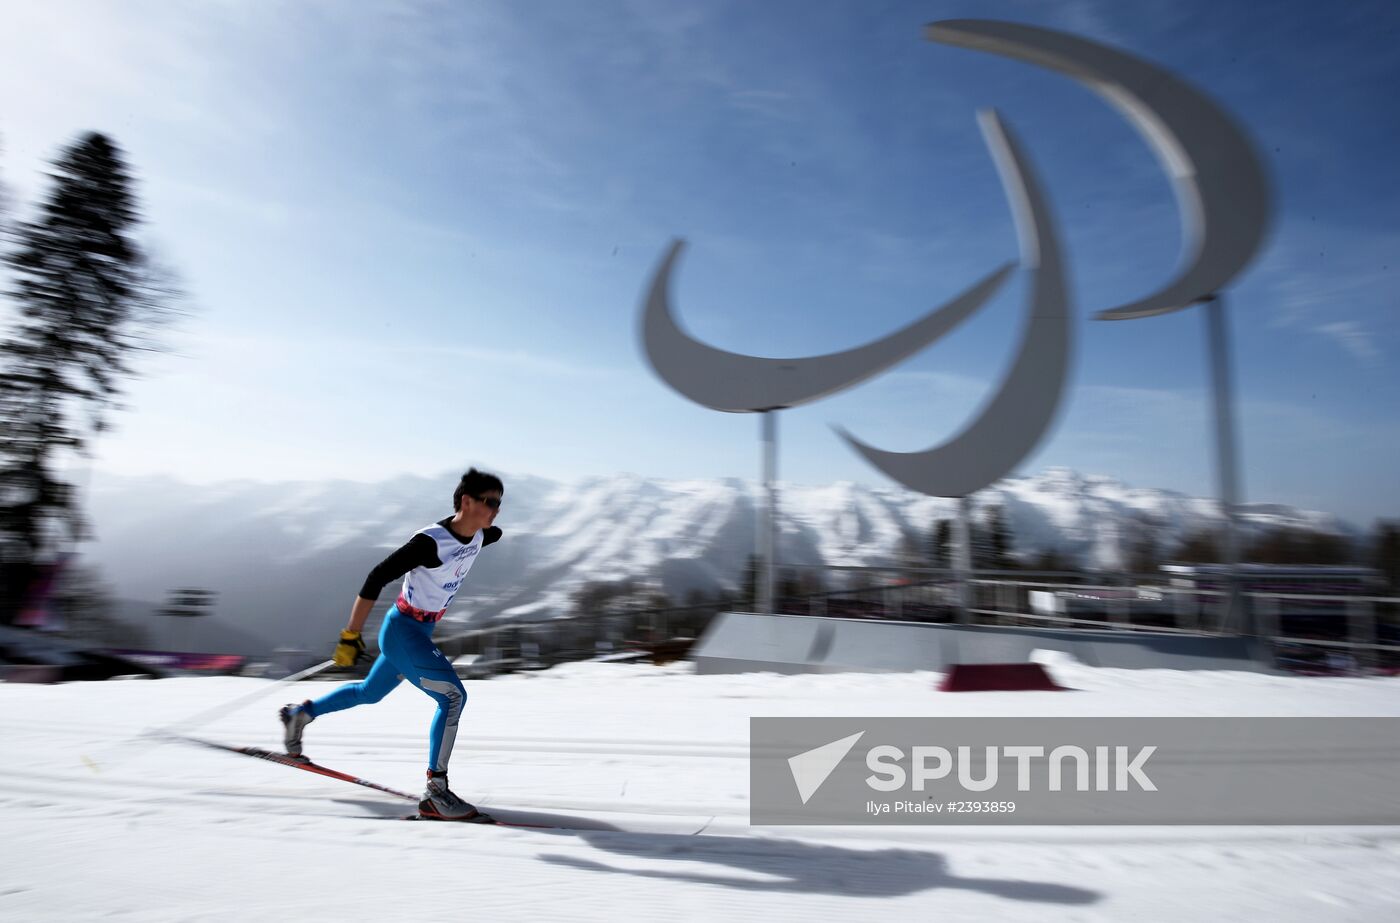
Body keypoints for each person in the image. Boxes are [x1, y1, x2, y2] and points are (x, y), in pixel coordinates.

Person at [279, 468, 504, 820]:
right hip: (403, 631)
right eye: (490, 502)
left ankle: (300, 715)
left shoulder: (482, 534)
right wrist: (350, 636)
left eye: (499, 503)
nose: (496, 510)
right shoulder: (429, 543)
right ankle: (436, 792)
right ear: (466, 501)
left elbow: (493, 533)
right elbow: (376, 577)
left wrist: (487, 526)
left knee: (369, 692)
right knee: (453, 697)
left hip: (420, 633)